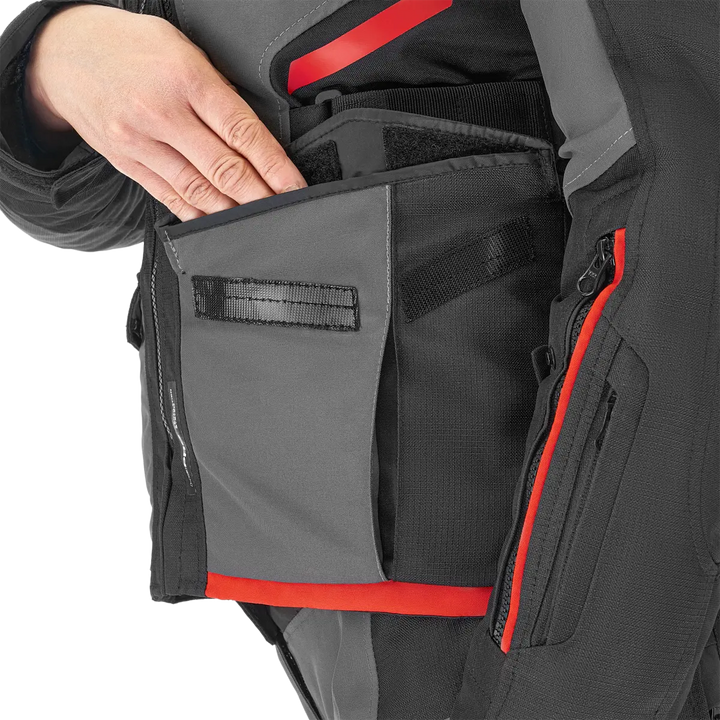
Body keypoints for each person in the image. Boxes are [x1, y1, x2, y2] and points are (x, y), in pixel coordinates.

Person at [1, 2, 718, 719]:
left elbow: (674, 217)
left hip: (541, 589)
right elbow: (107, 195)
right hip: (331, 578)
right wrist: (53, 66)